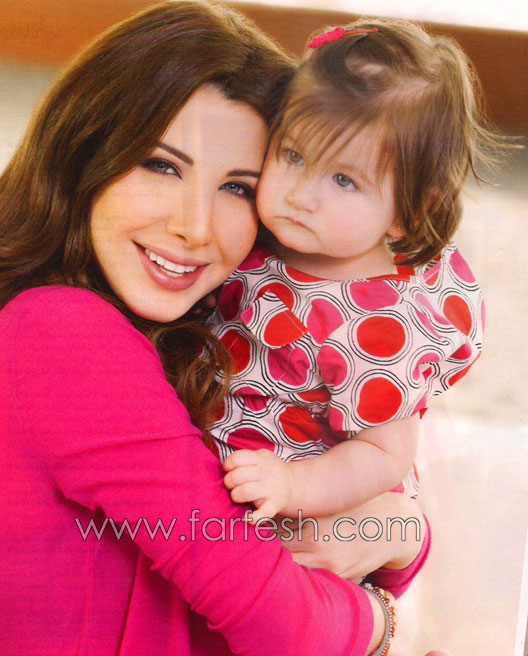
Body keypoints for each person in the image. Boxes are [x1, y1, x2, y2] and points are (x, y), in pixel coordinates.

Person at [0, 3, 431, 655]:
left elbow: (313, 558)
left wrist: (401, 531)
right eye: (162, 165)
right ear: (84, 152)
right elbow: (283, 623)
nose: (194, 226)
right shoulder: (59, 334)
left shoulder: (203, 339)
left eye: (238, 188)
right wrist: (384, 611)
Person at [210, 19, 490, 523]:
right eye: (293, 155)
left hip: (304, 506)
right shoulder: (267, 230)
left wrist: (293, 485)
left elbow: (384, 455)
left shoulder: (379, 328)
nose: (300, 195)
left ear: (409, 213)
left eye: (343, 180)